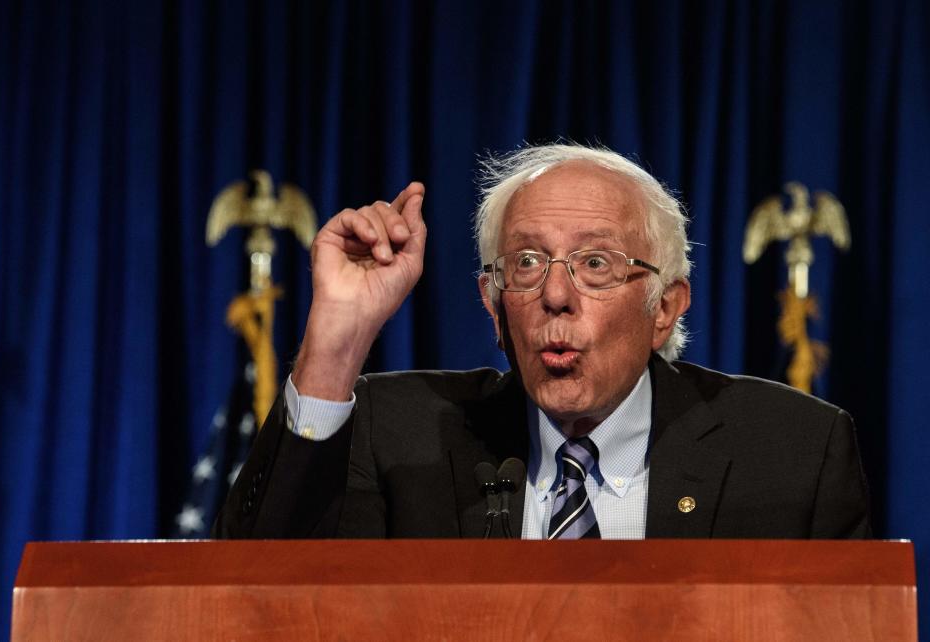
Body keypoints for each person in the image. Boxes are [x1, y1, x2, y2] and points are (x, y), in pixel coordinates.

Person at [213, 144, 870, 540]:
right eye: (526, 264)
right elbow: (257, 585)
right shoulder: (397, 437)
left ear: (664, 307)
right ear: (493, 306)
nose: (555, 295)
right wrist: (336, 341)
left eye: (595, 264)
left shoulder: (793, 454)